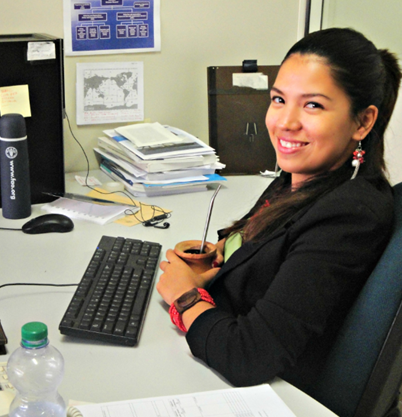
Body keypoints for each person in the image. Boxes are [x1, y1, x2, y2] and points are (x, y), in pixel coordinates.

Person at [157, 27, 402, 394]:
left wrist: (185, 297)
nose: (285, 122)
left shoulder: (350, 214)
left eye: (313, 105)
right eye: (278, 99)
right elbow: (278, 240)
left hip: (266, 393)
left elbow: (249, 357)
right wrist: (223, 255)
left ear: (363, 122)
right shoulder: (304, 175)